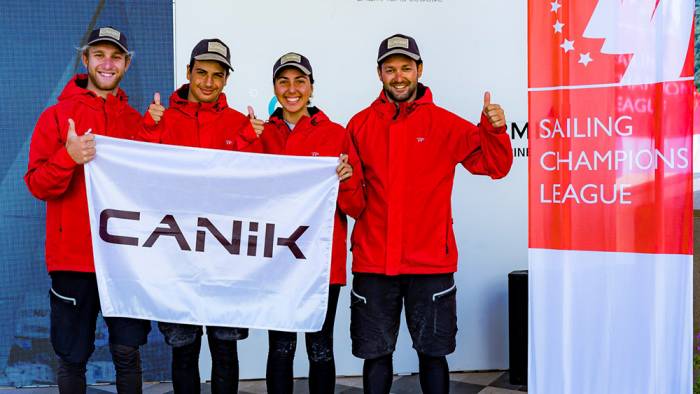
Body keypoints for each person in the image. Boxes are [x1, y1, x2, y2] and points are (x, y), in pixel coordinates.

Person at [346, 33, 513, 394]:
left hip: (430, 266)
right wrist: (345, 182)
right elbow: (352, 205)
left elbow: (495, 166)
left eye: (406, 67)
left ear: (419, 70)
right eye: (390, 69)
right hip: (374, 264)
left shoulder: (444, 124)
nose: (399, 76)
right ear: (379, 74)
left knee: (433, 356)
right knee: (376, 356)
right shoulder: (359, 125)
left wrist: (495, 131)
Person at [24, 26, 152, 393]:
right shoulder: (56, 116)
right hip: (73, 261)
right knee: (72, 356)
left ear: (126, 64)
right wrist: (68, 156)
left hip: (126, 259)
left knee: (128, 352)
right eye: (99, 55)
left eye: (115, 56)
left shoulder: (136, 122)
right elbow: (36, 184)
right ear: (85, 60)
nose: (107, 64)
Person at [140, 38, 261, 394]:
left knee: (225, 348)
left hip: (226, 257)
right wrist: (149, 130)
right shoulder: (159, 118)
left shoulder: (242, 124)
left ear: (226, 81)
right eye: (202, 73)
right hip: (175, 256)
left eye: (217, 76)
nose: (208, 82)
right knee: (184, 348)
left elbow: (257, 188)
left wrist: (248, 142)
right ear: (189, 72)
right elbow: (136, 177)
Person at [248, 52, 365, 393]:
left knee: (320, 348)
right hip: (275, 261)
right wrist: (248, 142)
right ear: (274, 88)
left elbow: (356, 207)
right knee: (281, 349)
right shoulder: (260, 133)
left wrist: (345, 179)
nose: (292, 89)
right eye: (283, 81)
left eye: (300, 81)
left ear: (311, 87)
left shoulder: (336, 134)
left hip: (322, 264)